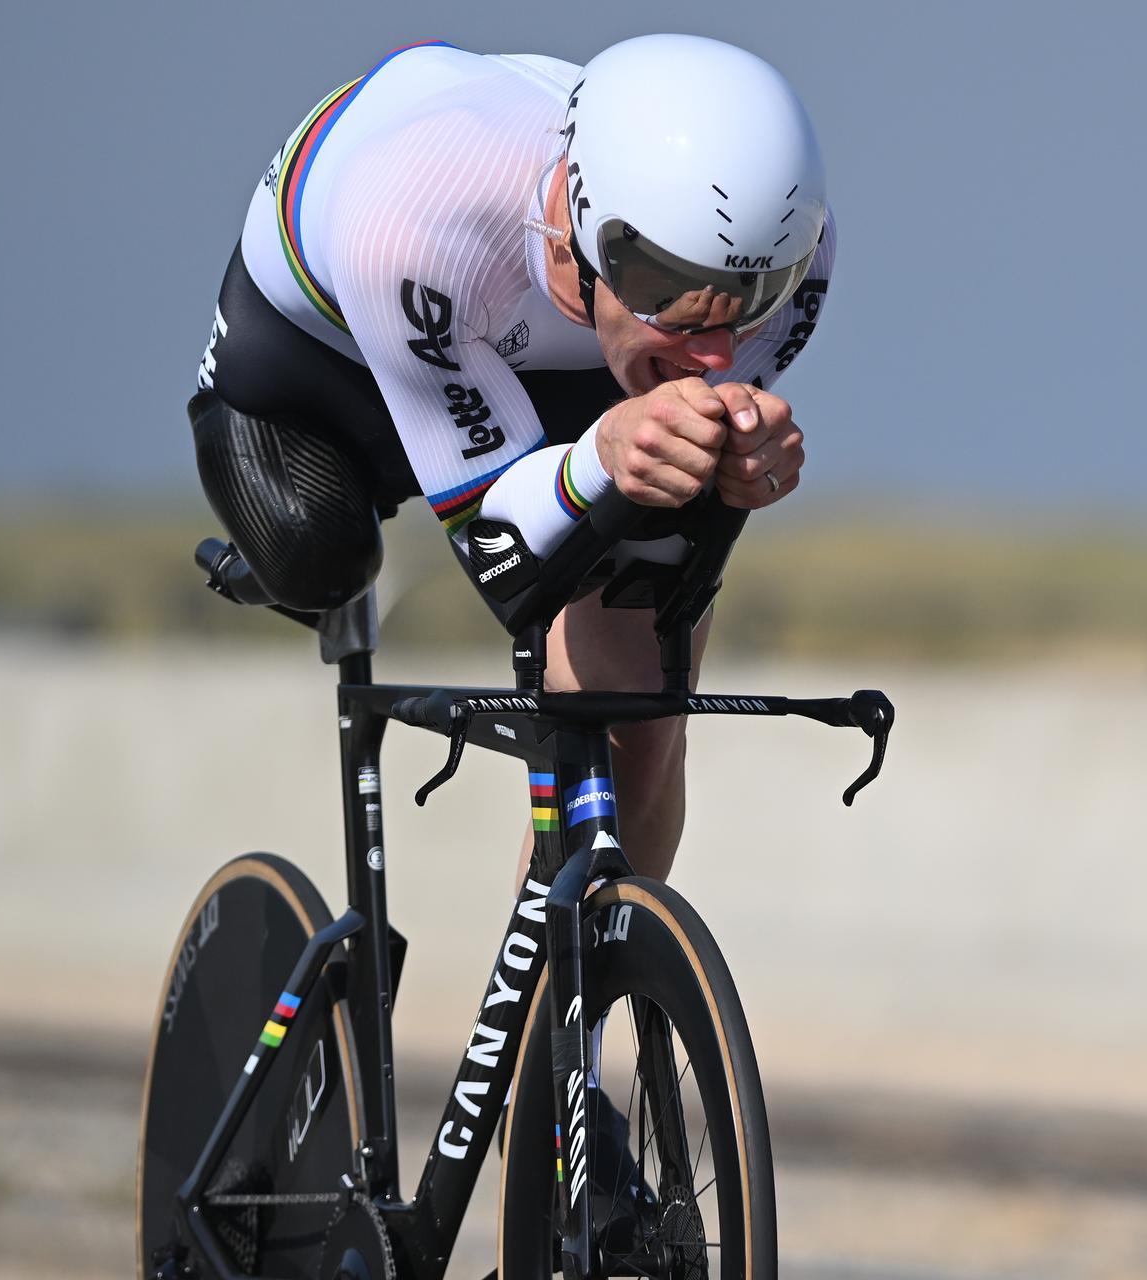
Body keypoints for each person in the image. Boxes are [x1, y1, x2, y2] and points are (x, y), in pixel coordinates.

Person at [189, 34, 834, 894]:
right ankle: (289, 566)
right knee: (324, 557)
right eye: (679, 297)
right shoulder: (416, 218)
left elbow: (663, 506)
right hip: (322, 357)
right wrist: (602, 457)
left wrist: (733, 466)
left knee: (636, 714)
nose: (718, 349)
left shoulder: (799, 250)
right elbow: (506, 561)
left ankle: (559, 1010)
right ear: (584, 239)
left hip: (565, 367)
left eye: (751, 299)